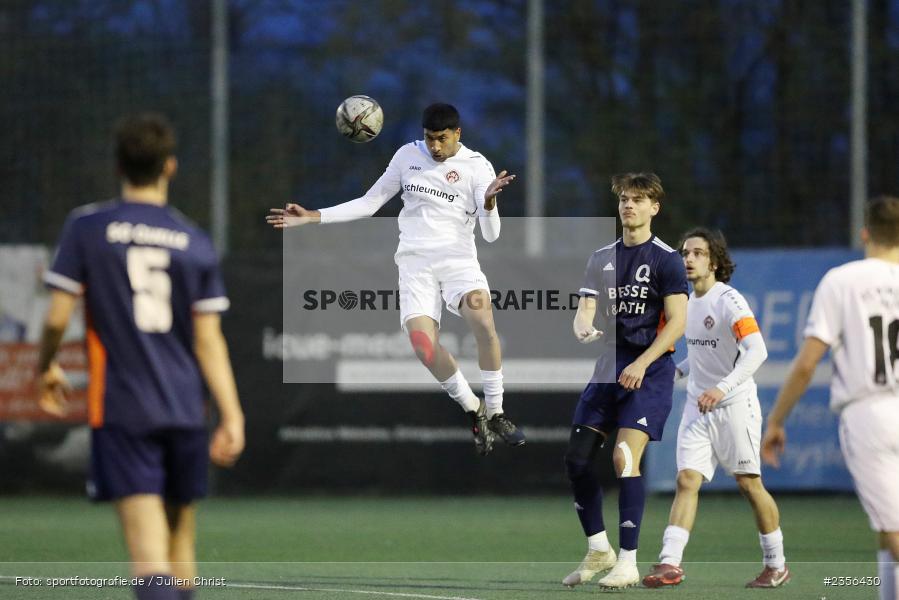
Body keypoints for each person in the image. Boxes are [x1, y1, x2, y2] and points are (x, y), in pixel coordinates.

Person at [35, 113, 245, 600]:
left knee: (149, 557)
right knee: (180, 544)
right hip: (186, 410)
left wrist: (46, 365)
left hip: (125, 409)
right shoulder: (194, 240)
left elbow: (55, 318)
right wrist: (232, 414)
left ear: (118, 166)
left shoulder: (88, 227)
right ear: (169, 167)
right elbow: (209, 341)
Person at [267, 102, 525, 455]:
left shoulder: (478, 167)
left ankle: (497, 411)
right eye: (429, 138)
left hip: (458, 261)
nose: (435, 146)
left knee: (481, 316)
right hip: (415, 264)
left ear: (457, 134)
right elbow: (369, 203)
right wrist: (313, 216)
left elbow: (492, 235)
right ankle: (474, 408)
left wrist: (490, 204)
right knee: (422, 345)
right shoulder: (407, 156)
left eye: (442, 138)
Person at [761, 195, 899, 600]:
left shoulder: (842, 280)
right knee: (887, 526)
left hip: (869, 415)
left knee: (893, 531)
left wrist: (776, 420)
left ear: (865, 233)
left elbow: (807, 364)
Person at [642, 228, 789, 589]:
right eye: (685, 253)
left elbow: (757, 351)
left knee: (749, 484)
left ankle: (776, 564)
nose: (688, 259)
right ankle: (670, 563)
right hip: (698, 405)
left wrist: (722, 388)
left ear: (715, 262)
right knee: (686, 479)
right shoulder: (686, 303)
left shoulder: (729, 301)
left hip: (735, 405)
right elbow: (701, 353)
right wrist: (677, 371)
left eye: (698, 253)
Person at [562, 172, 687, 589]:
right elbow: (585, 308)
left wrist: (643, 362)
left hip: (649, 371)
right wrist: (582, 326)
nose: (629, 205)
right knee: (577, 459)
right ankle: (599, 549)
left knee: (624, 458)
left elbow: (678, 323)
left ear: (655, 207)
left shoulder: (667, 259)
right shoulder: (601, 257)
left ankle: (629, 561)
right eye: (624, 200)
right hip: (608, 367)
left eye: (638, 199)